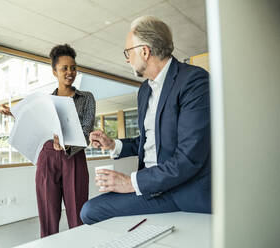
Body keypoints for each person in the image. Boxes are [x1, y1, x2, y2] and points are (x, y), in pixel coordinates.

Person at [80, 16, 211, 224]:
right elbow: (150, 139)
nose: (127, 59)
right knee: (89, 211)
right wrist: (113, 145)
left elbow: (189, 158)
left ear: (144, 51)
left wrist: (130, 182)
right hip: (151, 187)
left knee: (90, 212)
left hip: (180, 190)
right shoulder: (144, 91)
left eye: (128, 52)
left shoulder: (194, 81)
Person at [0, 44, 96, 237]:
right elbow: (33, 122)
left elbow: (86, 131)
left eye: (73, 68)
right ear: (54, 72)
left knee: (78, 215)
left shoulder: (87, 98)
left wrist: (67, 145)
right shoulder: (45, 101)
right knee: (48, 216)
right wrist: (12, 113)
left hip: (73, 156)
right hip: (47, 158)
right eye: (64, 68)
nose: (70, 72)